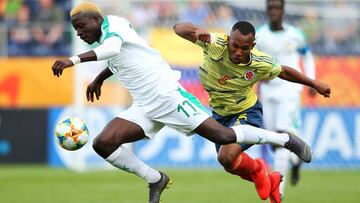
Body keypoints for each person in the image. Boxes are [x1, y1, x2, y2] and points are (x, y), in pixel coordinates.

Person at [51, 2, 314, 203]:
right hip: (144, 105)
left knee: (223, 136)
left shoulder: (114, 27)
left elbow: (112, 50)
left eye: (82, 27)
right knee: (103, 144)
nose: (80, 33)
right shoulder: (106, 36)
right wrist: (99, 78)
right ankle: (155, 179)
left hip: (167, 95)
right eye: (76, 30)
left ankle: (284, 140)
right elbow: (120, 58)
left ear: (97, 20)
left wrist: (72, 60)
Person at [173, 19, 330, 203]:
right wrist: (197, 29)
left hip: (246, 112)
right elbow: (178, 29)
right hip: (220, 115)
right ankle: (264, 174)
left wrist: (314, 83)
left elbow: (285, 72)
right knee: (228, 163)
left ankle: (285, 139)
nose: (238, 52)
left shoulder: (259, 62)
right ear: (228, 39)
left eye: (244, 48)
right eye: (235, 46)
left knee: (226, 155)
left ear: (252, 46)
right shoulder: (215, 44)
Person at [256, 0, 317, 199]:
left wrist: (311, 80)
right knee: (276, 142)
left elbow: (307, 56)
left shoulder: (295, 35)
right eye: (270, 8)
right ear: (267, 11)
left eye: (277, 8)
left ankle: (278, 191)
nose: (273, 12)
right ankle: (296, 161)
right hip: (268, 91)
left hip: (289, 91)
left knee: (283, 133)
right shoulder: (260, 35)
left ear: (283, 11)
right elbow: (253, 59)